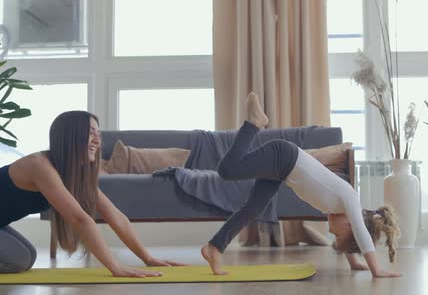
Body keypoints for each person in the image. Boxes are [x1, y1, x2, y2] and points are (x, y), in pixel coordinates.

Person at [201, 92, 401, 278]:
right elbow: (360, 233)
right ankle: (254, 123)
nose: (331, 232)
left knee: (252, 209)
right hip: (283, 156)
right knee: (227, 170)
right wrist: (376, 270)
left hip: (281, 171)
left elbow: (353, 234)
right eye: (338, 233)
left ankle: (214, 248)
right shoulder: (350, 200)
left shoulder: (342, 208)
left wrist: (354, 262)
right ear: (349, 225)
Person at [0, 111, 184, 276]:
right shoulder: (39, 165)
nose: (97, 140)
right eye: (90, 133)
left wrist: (148, 259)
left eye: (98, 134)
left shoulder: (74, 174)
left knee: (27, 257)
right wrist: (114, 267)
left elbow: (115, 216)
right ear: (70, 136)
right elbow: (79, 219)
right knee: (18, 260)